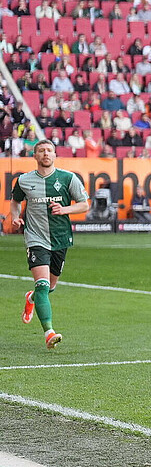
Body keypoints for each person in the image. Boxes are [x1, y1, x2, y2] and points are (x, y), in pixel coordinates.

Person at [9, 140, 90, 349]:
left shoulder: (68, 178)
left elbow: (84, 204)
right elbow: (16, 202)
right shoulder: (24, 180)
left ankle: (31, 298)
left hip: (60, 238)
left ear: (55, 155)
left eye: (49, 151)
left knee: (50, 286)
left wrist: (65, 210)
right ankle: (49, 332)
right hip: (35, 238)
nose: (46, 153)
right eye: (41, 151)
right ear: (35, 156)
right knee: (43, 285)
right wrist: (16, 217)